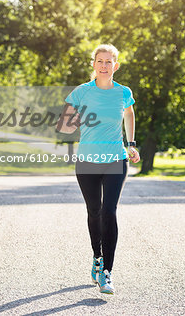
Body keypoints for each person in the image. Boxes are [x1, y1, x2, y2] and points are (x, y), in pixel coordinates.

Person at [56, 44, 140, 294]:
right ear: (93, 64)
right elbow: (65, 126)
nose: (104, 66)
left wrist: (131, 144)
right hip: (87, 160)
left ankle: (107, 272)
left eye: (108, 61)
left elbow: (129, 114)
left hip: (115, 158)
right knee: (94, 211)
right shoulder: (81, 92)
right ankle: (97, 256)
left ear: (116, 65)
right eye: (100, 61)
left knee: (108, 211)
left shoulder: (123, 92)